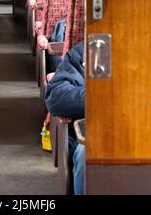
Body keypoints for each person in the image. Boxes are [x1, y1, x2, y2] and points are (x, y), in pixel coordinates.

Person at [45, 41, 85, 195]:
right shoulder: (89, 51)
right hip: (95, 133)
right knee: (85, 154)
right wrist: (102, 95)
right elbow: (57, 96)